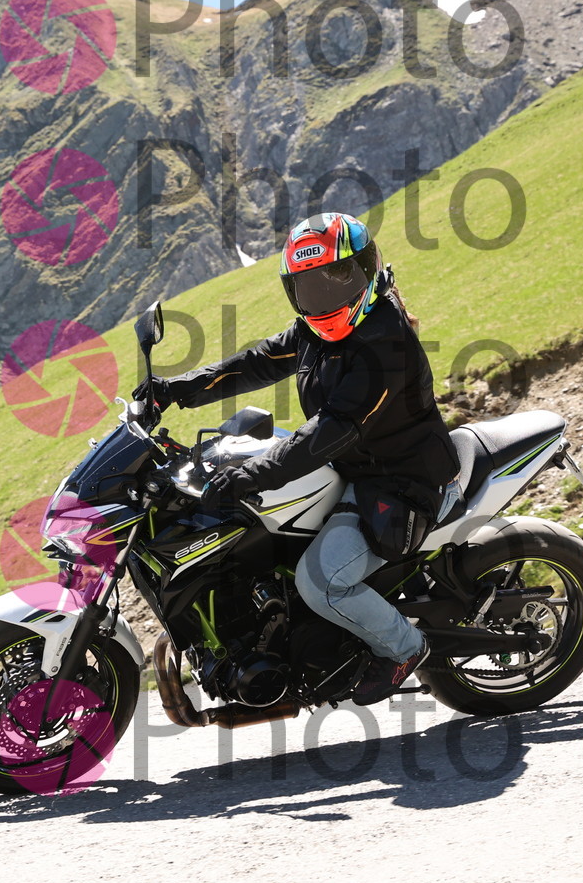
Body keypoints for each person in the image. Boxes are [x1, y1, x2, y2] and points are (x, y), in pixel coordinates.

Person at [132, 212, 461, 705]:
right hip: (353, 469)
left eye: (335, 280)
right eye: (308, 287)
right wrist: (177, 389)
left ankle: (404, 649)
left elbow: (329, 431)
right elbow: (257, 362)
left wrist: (250, 476)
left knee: (321, 582)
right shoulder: (316, 330)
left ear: (366, 270)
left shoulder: (385, 343)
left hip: (403, 482)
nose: (322, 297)